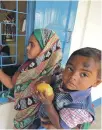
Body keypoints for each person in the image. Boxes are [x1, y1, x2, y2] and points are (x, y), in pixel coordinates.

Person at [0, 28, 62, 129]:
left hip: (38, 122)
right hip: (21, 116)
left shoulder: (56, 73)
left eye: (32, 45)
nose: (27, 47)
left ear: (45, 48)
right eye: (28, 43)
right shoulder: (27, 65)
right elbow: (12, 84)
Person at [37, 47, 102, 129]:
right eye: (70, 68)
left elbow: (59, 126)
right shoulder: (66, 77)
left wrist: (47, 103)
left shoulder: (78, 110)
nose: (72, 76)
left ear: (96, 82)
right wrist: (49, 79)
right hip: (50, 113)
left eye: (84, 74)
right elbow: (58, 78)